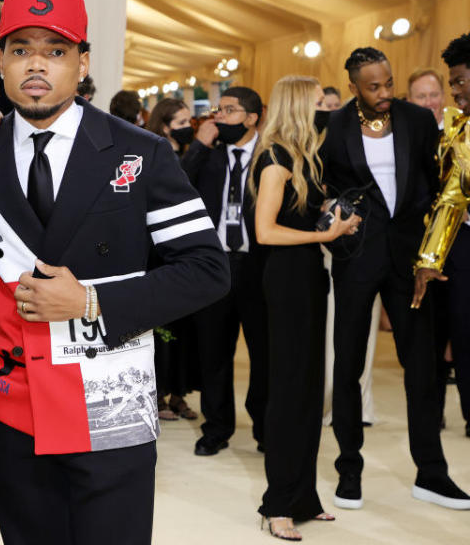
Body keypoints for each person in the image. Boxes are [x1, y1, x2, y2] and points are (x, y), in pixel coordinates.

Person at [0, 0, 230, 544]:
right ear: (1, 61)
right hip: (10, 409)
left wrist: (91, 301)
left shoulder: (141, 151)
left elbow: (207, 270)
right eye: (20, 50)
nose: (36, 65)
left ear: (83, 61)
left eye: (55, 50)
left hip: (108, 401)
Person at [322, 46, 470, 510]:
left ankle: (432, 473)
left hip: (409, 262)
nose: (384, 93)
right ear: (354, 88)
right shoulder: (336, 129)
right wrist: (330, 214)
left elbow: (436, 185)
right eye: (373, 87)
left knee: (422, 369)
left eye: (389, 83)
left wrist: (431, 254)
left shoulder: (417, 121)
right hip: (356, 258)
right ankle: (350, 470)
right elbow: (322, 187)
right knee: (347, 366)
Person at [251, 76, 361, 540]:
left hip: (311, 278)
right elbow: (265, 232)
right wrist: (326, 235)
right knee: (289, 392)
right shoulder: (275, 159)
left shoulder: (307, 159)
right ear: (299, 105)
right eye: (319, 102)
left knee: (310, 391)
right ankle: (277, 504)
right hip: (286, 280)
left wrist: (336, 217)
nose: (327, 108)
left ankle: (304, 497)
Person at [181, 86, 270, 456]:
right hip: (215, 267)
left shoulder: (270, 157)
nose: (220, 117)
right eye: (219, 110)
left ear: (252, 118)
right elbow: (176, 185)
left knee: (264, 353)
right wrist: (200, 145)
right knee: (214, 353)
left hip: (258, 267)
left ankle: (265, 426)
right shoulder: (211, 158)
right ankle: (216, 427)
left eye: (230, 111)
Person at [413, 32, 470, 442]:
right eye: (450, 84)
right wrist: (428, 261)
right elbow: (450, 198)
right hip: (452, 250)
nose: (452, 93)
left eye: (458, 82)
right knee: (451, 335)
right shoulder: (456, 132)